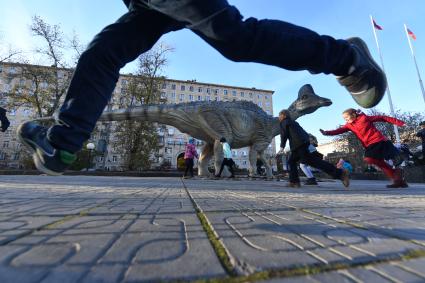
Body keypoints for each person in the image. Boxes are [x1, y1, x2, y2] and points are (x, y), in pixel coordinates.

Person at [18, 0, 387, 175]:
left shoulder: (272, 122)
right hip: (148, 5)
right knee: (102, 52)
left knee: (235, 38)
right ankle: (63, 145)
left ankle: (347, 58)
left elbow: (263, 141)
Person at [320, 108, 408, 188]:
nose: (345, 119)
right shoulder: (349, 125)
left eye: (346, 117)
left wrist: (400, 123)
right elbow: (338, 131)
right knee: (376, 161)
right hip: (369, 145)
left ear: (353, 115)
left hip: (378, 141)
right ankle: (398, 178)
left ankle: (397, 175)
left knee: (369, 159)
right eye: (344, 118)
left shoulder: (364, 118)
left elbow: (382, 117)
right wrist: (327, 133)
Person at [279, 110, 350, 188]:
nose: (279, 118)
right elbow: (304, 133)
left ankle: (340, 173)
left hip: (298, 145)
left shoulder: (284, 122)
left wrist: (282, 146)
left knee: (313, 162)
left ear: (283, 115)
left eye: (280, 116)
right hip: (302, 144)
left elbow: (284, 135)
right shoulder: (294, 122)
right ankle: (294, 182)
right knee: (292, 161)